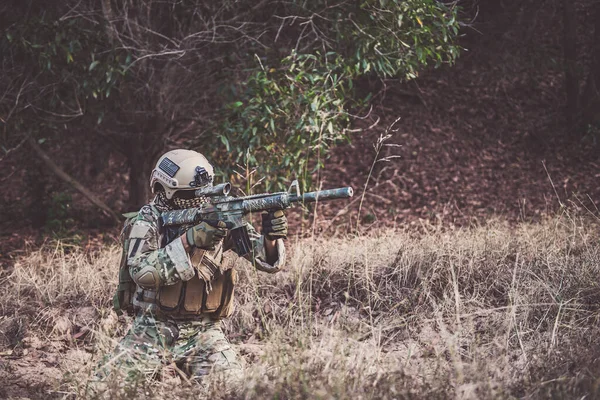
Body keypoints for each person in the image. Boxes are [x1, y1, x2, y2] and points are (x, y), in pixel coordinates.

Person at [102, 149, 287, 387]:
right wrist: (189, 239)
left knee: (233, 388)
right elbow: (142, 273)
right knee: (108, 388)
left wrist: (271, 237)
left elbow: (264, 260)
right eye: (191, 194)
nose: (200, 200)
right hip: (152, 327)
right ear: (167, 190)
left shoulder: (219, 214)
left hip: (205, 331)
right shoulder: (147, 221)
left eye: (203, 193)